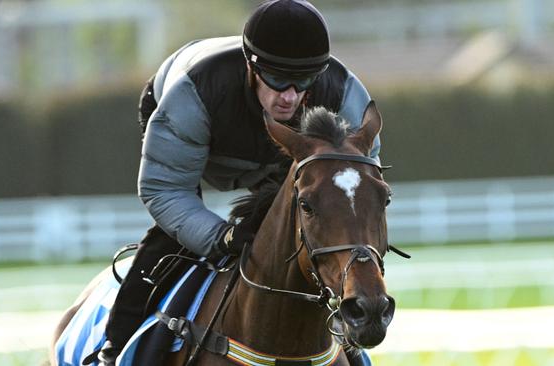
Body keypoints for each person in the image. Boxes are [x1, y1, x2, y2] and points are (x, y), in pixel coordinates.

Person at [98, 0, 380, 365]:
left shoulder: (343, 95)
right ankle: (115, 346)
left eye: (304, 81)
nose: (290, 96)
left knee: (302, 234)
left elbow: (355, 189)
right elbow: (164, 189)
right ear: (251, 65)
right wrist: (221, 238)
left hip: (283, 151)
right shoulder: (193, 95)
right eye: (277, 80)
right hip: (184, 117)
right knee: (171, 243)